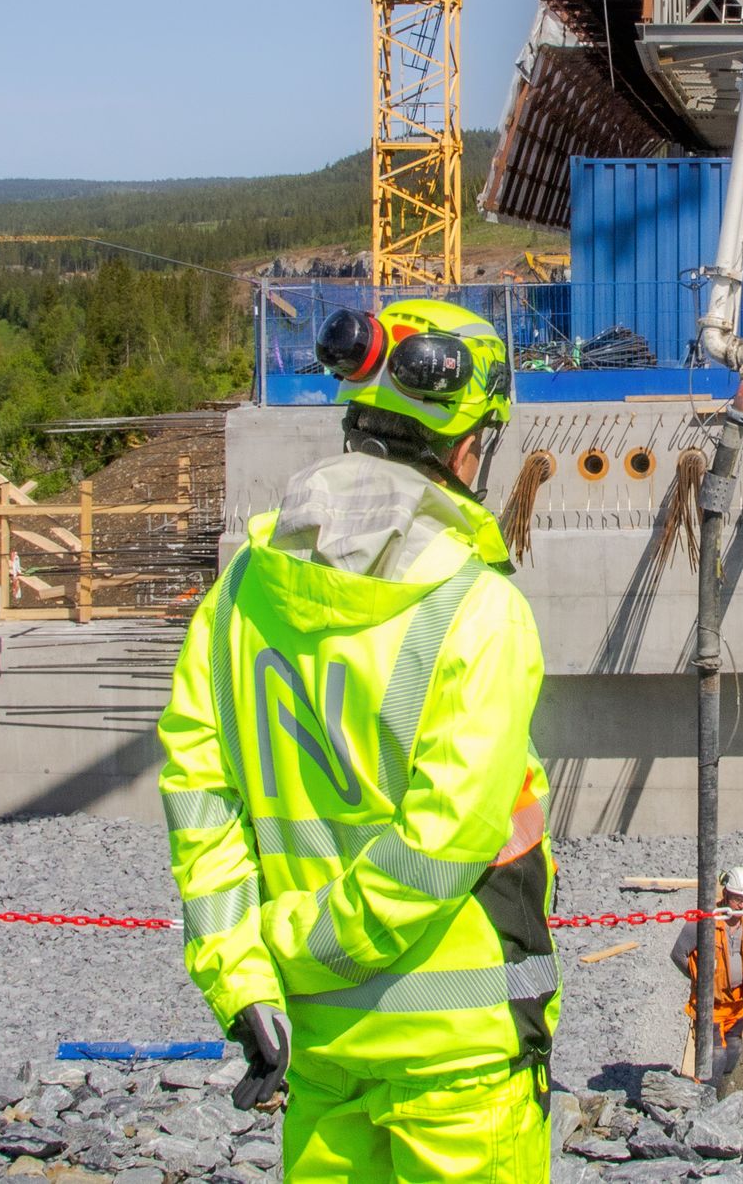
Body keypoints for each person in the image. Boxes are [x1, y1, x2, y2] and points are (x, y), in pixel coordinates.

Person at [158, 298, 559, 1184]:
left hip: (315, 1049)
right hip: (458, 1061)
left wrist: (247, 979)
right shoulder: (479, 612)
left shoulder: (238, 598)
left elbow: (201, 806)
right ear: (468, 449)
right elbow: (439, 846)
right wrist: (304, 944)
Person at [670, 866, 743, 1089]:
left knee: (733, 1050)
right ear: (726, 894)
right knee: (716, 1055)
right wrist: (699, 982)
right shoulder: (702, 923)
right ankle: (702, 1097)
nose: (742, 905)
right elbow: (677, 954)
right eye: (737, 899)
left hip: (738, 1003)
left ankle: (720, 1093)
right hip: (710, 1004)